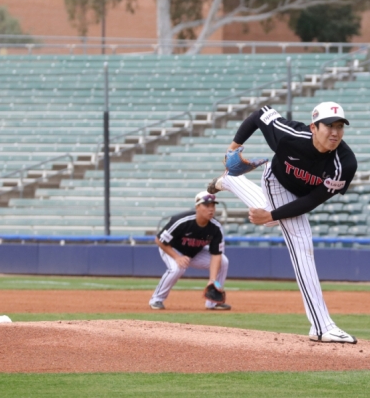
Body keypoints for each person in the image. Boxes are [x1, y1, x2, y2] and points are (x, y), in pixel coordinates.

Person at [207, 102, 358, 343]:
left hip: (302, 195)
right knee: (302, 243)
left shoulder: (345, 164)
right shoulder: (290, 135)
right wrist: (233, 147)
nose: (335, 132)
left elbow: (312, 200)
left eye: (340, 126)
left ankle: (232, 182)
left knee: (268, 218)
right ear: (313, 127)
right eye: (329, 126)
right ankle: (322, 326)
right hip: (276, 180)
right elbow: (260, 113)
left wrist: (272, 216)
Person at [149, 191, 231, 311]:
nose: (211, 209)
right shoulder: (182, 221)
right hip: (172, 249)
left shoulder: (216, 227)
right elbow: (159, 240)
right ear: (197, 207)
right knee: (177, 268)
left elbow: (216, 254)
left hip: (194, 252)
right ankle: (156, 299)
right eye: (206, 205)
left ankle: (213, 302)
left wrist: (212, 280)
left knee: (224, 261)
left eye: (213, 205)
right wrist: (177, 257)